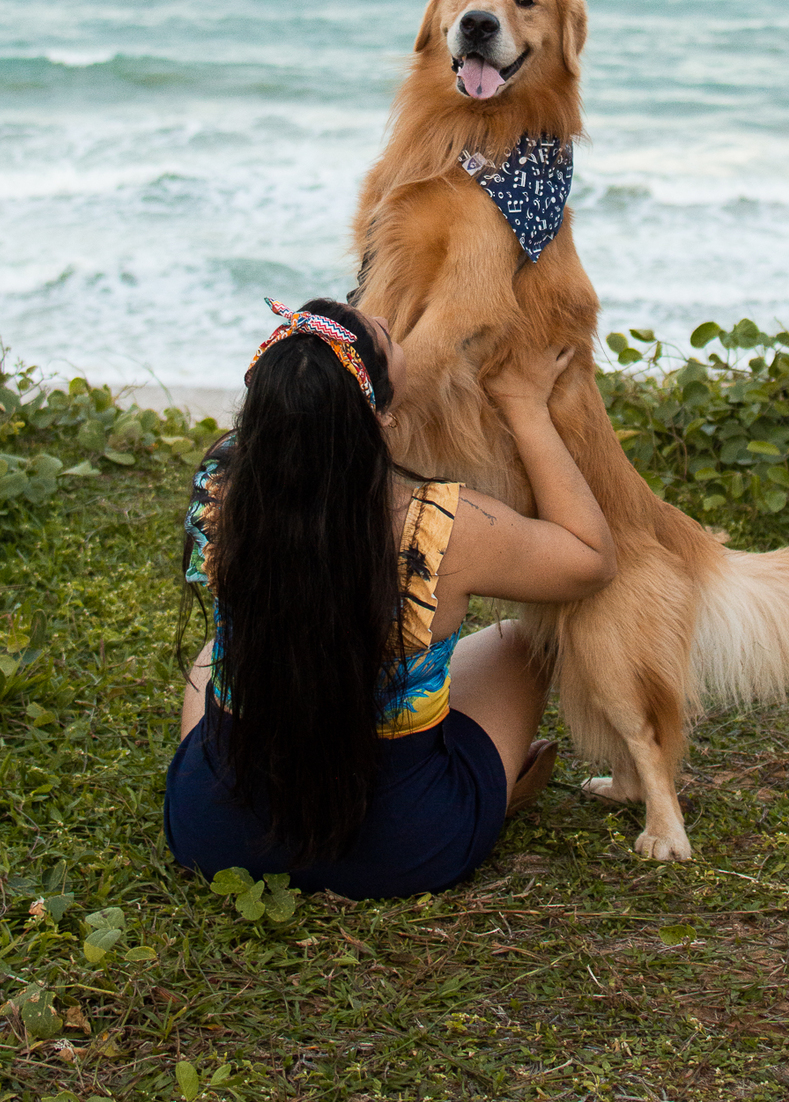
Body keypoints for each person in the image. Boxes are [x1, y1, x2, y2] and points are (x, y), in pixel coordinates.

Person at [164, 296, 616, 900]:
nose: (386, 320)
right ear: (380, 418)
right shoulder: (441, 527)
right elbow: (590, 561)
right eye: (387, 336)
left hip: (216, 836)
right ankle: (489, 786)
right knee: (521, 641)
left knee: (215, 652)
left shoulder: (221, 482)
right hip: (402, 848)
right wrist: (525, 406)